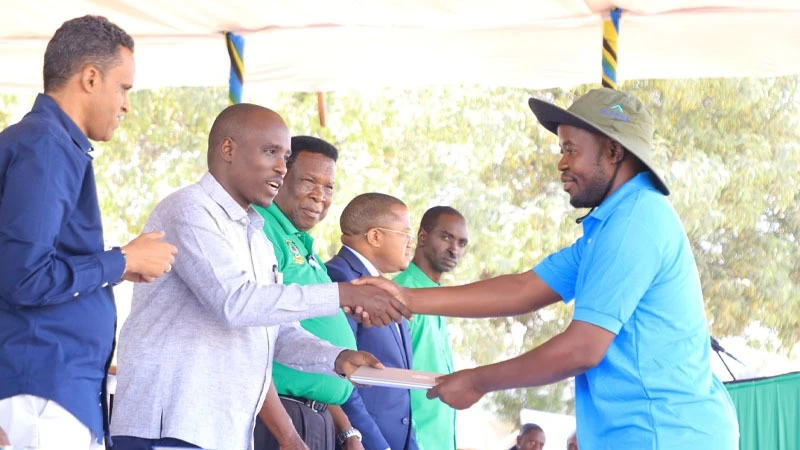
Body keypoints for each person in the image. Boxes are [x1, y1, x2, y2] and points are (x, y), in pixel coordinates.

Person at [358, 88, 740, 449]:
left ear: (612, 151)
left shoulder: (635, 222)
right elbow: (524, 289)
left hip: (664, 433)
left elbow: (582, 349)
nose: (562, 163)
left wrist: (478, 380)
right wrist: (405, 297)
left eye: (570, 149)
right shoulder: (611, 225)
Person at [109, 104, 410, 450]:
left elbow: (274, 334)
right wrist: (345, 294)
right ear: (228, 149)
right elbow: (234, 303)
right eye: (271, 153)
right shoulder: (189, 209)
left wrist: (336, 358)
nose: (282, 168)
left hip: (223, 431)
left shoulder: (254, 232)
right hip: (170, 425)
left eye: (284, 157)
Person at [0, 15, 177, 450]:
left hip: (56, 391)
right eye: (124, 88)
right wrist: (123, 260)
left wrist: (116, 268)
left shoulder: (52, 145)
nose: (126, 106)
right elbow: (24, 277)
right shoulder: (45, 146)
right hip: (39, 392)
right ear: (91, 78)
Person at [252, 136, 363, 450]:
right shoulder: (261, 231)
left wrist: (347, 431)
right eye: (309, 182)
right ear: (279, 177)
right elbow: (255, 337)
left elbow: (315, 353)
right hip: (278, 416)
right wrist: (286, 434)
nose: (320, 196)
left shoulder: (301, 242)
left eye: (328, 187)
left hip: (316, 416)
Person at [326, 193, 419, 450]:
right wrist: (375, 443)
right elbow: (337, 370)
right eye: (405, 234)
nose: (411, 243)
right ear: (375, 236)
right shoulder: (340, 279)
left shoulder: (386, 286)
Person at [394, 206, 468, 450]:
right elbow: (386, 379)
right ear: (423, 237)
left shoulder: (438, 297)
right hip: (410, 441)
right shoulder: (400, 294)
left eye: (461, 243)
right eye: (446, 237)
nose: (454, 249)